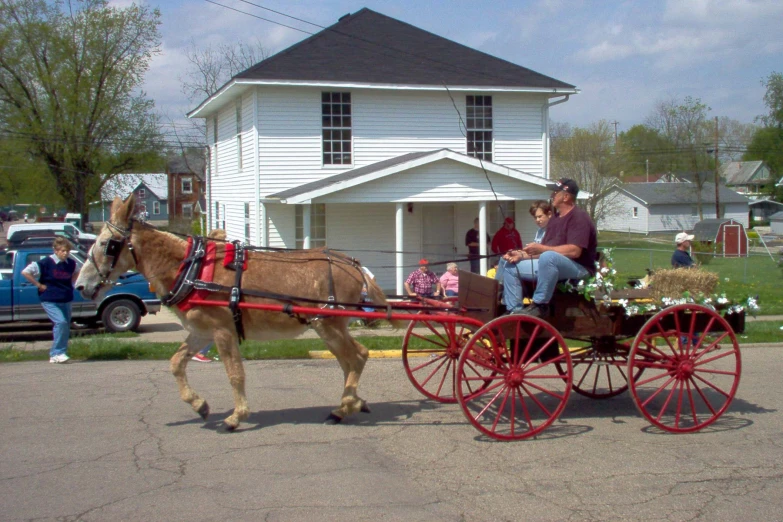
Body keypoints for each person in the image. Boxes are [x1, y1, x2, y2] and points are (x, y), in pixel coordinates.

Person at [500, 178, 597, 318]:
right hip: (554, 263)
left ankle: (540, 305)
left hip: (580, 268)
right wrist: (521, 255)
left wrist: (542, 249)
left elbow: (575, 251)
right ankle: (515, 311)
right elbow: (543, 251)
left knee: (548, 256)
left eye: (555, 192)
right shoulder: (555, 220)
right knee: (510, 265)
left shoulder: (579, 217)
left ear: (566, 196)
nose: (552, 195)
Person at [21, 237, 79, 363]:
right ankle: (57, 353)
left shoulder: (71, 263)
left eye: (67, 251)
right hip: (50, 298)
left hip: (66, 297)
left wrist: (71, 283)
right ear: (56, 251)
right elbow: (26, 272)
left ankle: (59, 353)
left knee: (65, 325)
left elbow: (77, 272)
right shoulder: (45, 263)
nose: (65, 253)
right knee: (60, 322)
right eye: (63, 251)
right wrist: (39, 285)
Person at [193, 228, 228, 362]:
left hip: (214, 293)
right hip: (209, 294)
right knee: (215, 325)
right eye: (222, 240)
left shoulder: (212, 252)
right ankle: (200, 352)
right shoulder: (210, 254)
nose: (224, 242)